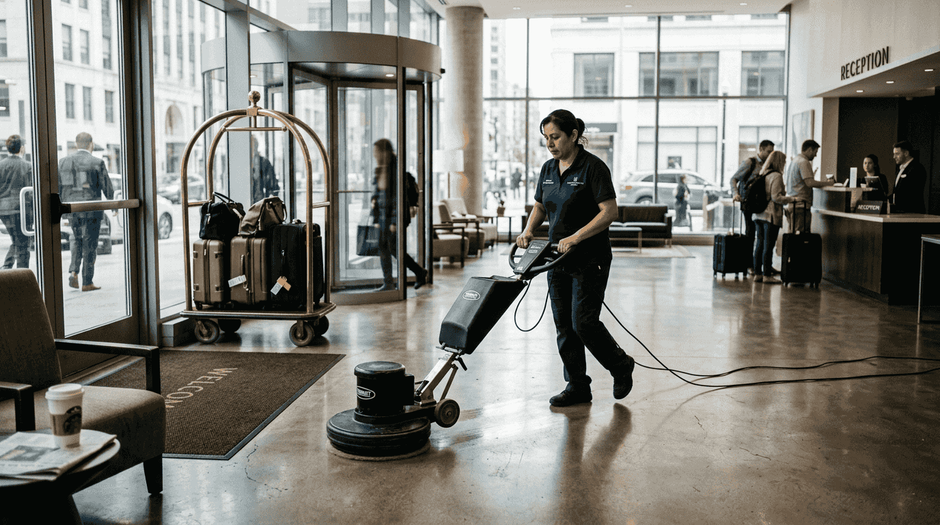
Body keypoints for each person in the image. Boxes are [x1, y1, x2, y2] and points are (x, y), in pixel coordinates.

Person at [516, 109, 635, 407]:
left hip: (589, 258)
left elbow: (610, 212)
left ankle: (621, 365)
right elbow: (541, 206)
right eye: (546, 138)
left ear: (572, 135)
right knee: (564, 326)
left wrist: (576, 237)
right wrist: (529, 230)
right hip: (556, 260)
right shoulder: (547, 169)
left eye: (555, 137)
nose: (550, 143)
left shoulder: (593, 168)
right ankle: (577, 386)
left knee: (584, 322)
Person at [58, 132, 114, 291]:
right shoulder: (97, 162)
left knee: (76, 239)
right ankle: (87, 281)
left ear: (76, 144)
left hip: (72, 210)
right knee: (90, 243)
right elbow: (107, 189)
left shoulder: (63, 162)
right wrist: (114, 204)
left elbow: (58, 188)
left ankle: (73, 271)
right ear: (91, 144)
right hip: (91, 210)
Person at [371, 139, 428, 291]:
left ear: (385, 152)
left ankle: (419, 272)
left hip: (395, 217)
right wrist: (375, 217)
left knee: (394, 249)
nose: (374, 154)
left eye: (377, 151)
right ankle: (388, 282)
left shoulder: (396, 169)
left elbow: (399, 197)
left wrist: (395, 222)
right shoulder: (380, 169)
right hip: (384, 216)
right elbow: (377, 195)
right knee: (384, 248)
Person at [751, 151, 794, 284]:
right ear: (779, 162)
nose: (785, 164)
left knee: (759, 244)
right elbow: (776, 197)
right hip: (770, 215)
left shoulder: (762, 173)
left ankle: (757, 273)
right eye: (784, 161)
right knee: (768, 246)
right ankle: (767, 275)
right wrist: (792, 199)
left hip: (758, 213)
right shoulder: (776, 176)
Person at [731, 140, 775, 261]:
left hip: (762, 203)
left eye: (772, 152)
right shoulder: (750, 162)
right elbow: (734, 179)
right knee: (750, 232)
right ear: (761, 149)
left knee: (763, 235)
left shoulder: (770, 164)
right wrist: (736, 194)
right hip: (749, 203)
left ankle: (762, 265)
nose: (770, 155)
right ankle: (748, 263)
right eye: (768, 152)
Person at [784, 139, 833, 233]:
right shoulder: (804, 162)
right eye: (815, 152)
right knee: (801, 238)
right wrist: (829, 183)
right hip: (801, 206)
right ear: (810, 149)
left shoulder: (794, 161)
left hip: (792, 205)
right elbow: (810, 183)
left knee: (793, 236)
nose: (815, 155)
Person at [0, 135, 33, 270]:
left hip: (3, 210)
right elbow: (31, 192)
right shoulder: (27, 166)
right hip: (21, 210)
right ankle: (22, 279)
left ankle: (6, 268)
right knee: (23, 246)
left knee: (17, 241)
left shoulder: (1, 165)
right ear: (22, 148)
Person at [891, 140, 927, 214]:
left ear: (906, 153)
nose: (894, 157)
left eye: (897, 154)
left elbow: (912, 192)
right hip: (899, 212)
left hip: (912, 212)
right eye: (894, 154)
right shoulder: (899, 169)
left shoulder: (917, 168)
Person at [250, 136, 280, 205]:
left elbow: (273, 186)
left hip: (261, 203)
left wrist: (269, 204)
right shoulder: (244, 165)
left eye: (253, 145)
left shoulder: (264, 163)